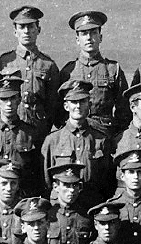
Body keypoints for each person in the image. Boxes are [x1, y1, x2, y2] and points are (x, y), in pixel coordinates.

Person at [41, 79, 113, 207]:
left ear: (89, 104)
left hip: (91, 205)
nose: (78, 106)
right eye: (74, 102)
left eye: (82, 101)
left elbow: (107, 178)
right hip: (61, 207)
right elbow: (46, 180)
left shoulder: (100, 139)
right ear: (66, 106)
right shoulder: (53, 140)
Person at [0, 75, 43, 202]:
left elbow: (37, 171)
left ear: (19, 99)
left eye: (13, 98)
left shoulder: (31, 133)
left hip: (21, 197)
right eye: (4, 99)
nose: (9, 103)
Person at [0, 5, 62, 132]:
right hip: (9, 127)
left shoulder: (48, 65)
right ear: (15, 31)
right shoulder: (4, 62)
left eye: (31, 26)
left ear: (38, 29)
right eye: (22, 27)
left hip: (37, 128)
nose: (26, 31)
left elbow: (52, 103)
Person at [58, 11, 127, 135]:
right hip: (75, 135)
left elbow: (124, 110)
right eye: (84, 33)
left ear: (100, 37)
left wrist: (116, 136)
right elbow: (58, 111)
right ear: (77, 40)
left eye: (93, 32)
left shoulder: (112, 69)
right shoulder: (68, 71)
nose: (89, 38)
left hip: (105, 135)